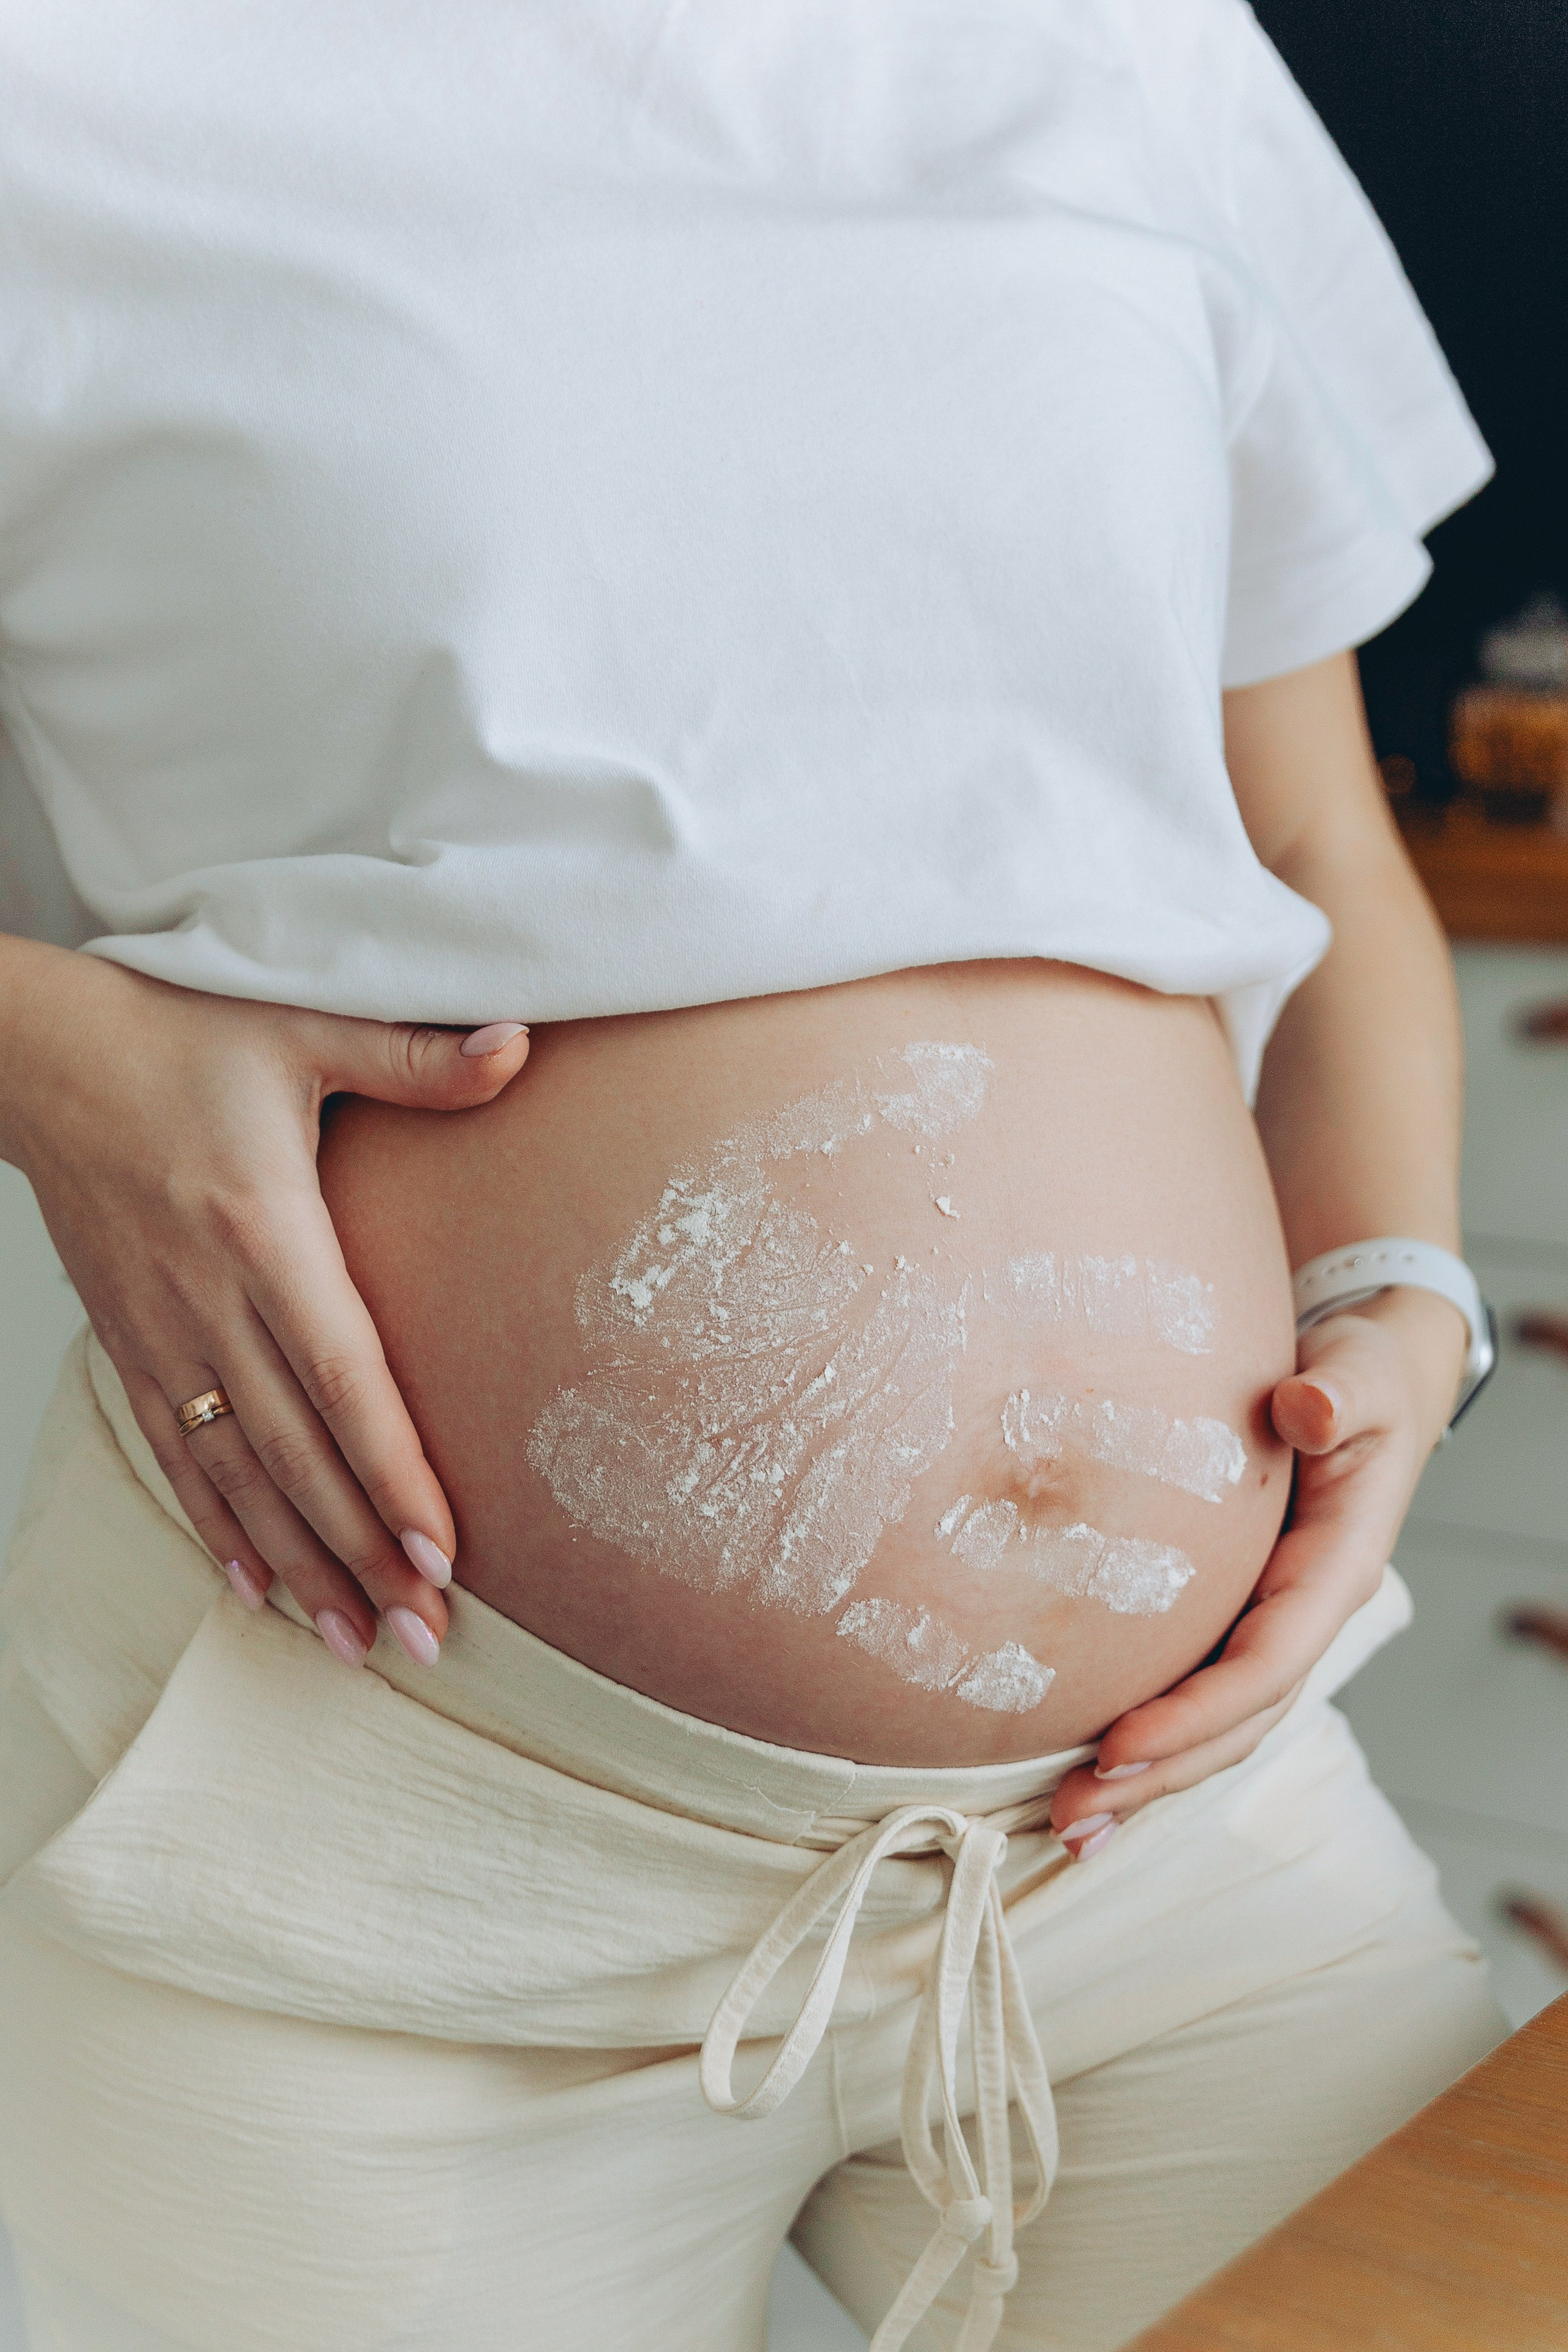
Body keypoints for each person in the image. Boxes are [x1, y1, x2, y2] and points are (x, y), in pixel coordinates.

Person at [0, 2, 1507, 2345]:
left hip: (1164, 1839)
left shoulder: (1126, 40)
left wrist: (1403, 1280)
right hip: (380, 1860)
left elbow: (1316, 834)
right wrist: (46, 1055)